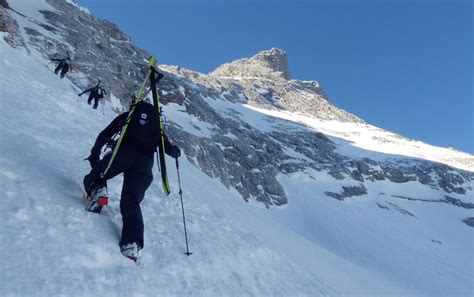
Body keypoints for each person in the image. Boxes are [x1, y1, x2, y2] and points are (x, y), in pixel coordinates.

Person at [83, 100, 181, 261]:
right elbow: (169, 148)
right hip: (144, 166)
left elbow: (105, 134)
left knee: (97, 174)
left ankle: (98, 191)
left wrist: (95, 154)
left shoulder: (129, 116)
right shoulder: (157, 126)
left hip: (122, 155)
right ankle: (132, 243)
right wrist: (175, 152)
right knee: (131, 202)